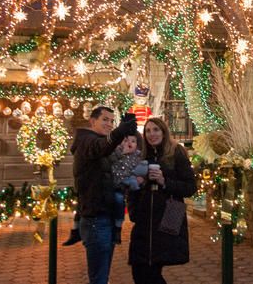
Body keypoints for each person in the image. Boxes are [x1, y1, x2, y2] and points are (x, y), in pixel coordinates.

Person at [71, 107, 138, 284]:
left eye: (111, 120)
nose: (109, 124)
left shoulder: (100, 144)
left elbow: (110, 162)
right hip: (95, 218)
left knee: (103, 275)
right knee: (99, 277)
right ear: (92, 121)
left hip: (105, 215)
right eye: (105, 120)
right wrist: (120, 131)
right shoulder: (87, 141)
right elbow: (101, 147)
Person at [128, 117, 197, 284]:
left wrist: (164, 181)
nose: (152, 134)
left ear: (164, 131)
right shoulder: (141, 155)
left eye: (156, 130)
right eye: (148, 131)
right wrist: (135, 207)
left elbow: (190, 187)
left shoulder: (176, 153)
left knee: (151, 272)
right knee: (139, 269)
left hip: (168, 215)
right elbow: (131, 188)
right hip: (144, 219)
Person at [110, 133, 148, 244]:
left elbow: (142, 170)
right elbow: (114, 172)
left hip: (134, 189)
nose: (129, 143)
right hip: (119, 186)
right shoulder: (116, 153)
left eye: (133, 141)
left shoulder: (138, 156)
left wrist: (141, 178)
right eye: (126, 140)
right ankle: (118, 228)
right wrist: (122, 154)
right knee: (118, 201)